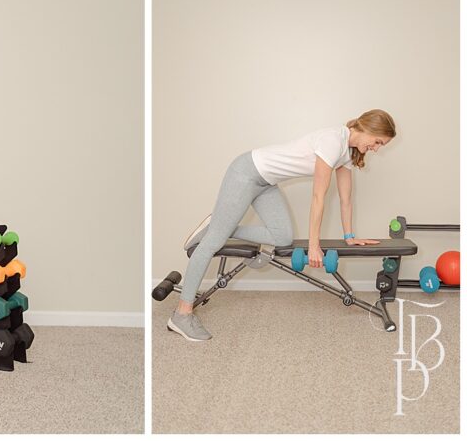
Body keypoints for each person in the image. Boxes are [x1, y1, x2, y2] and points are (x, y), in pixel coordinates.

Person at [169, 109, 396, 341]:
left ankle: (216, 226)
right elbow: (319, 197)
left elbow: (346, 198)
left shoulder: (346, 152)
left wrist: (350, 235)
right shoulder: (333, 141)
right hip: (247, 172)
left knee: (282, 237)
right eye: (377, 142)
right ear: (368, 128)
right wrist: (313, 245)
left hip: (266, 182)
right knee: (214, 242)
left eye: (381, 146)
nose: (376, 149)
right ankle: (182, 314)